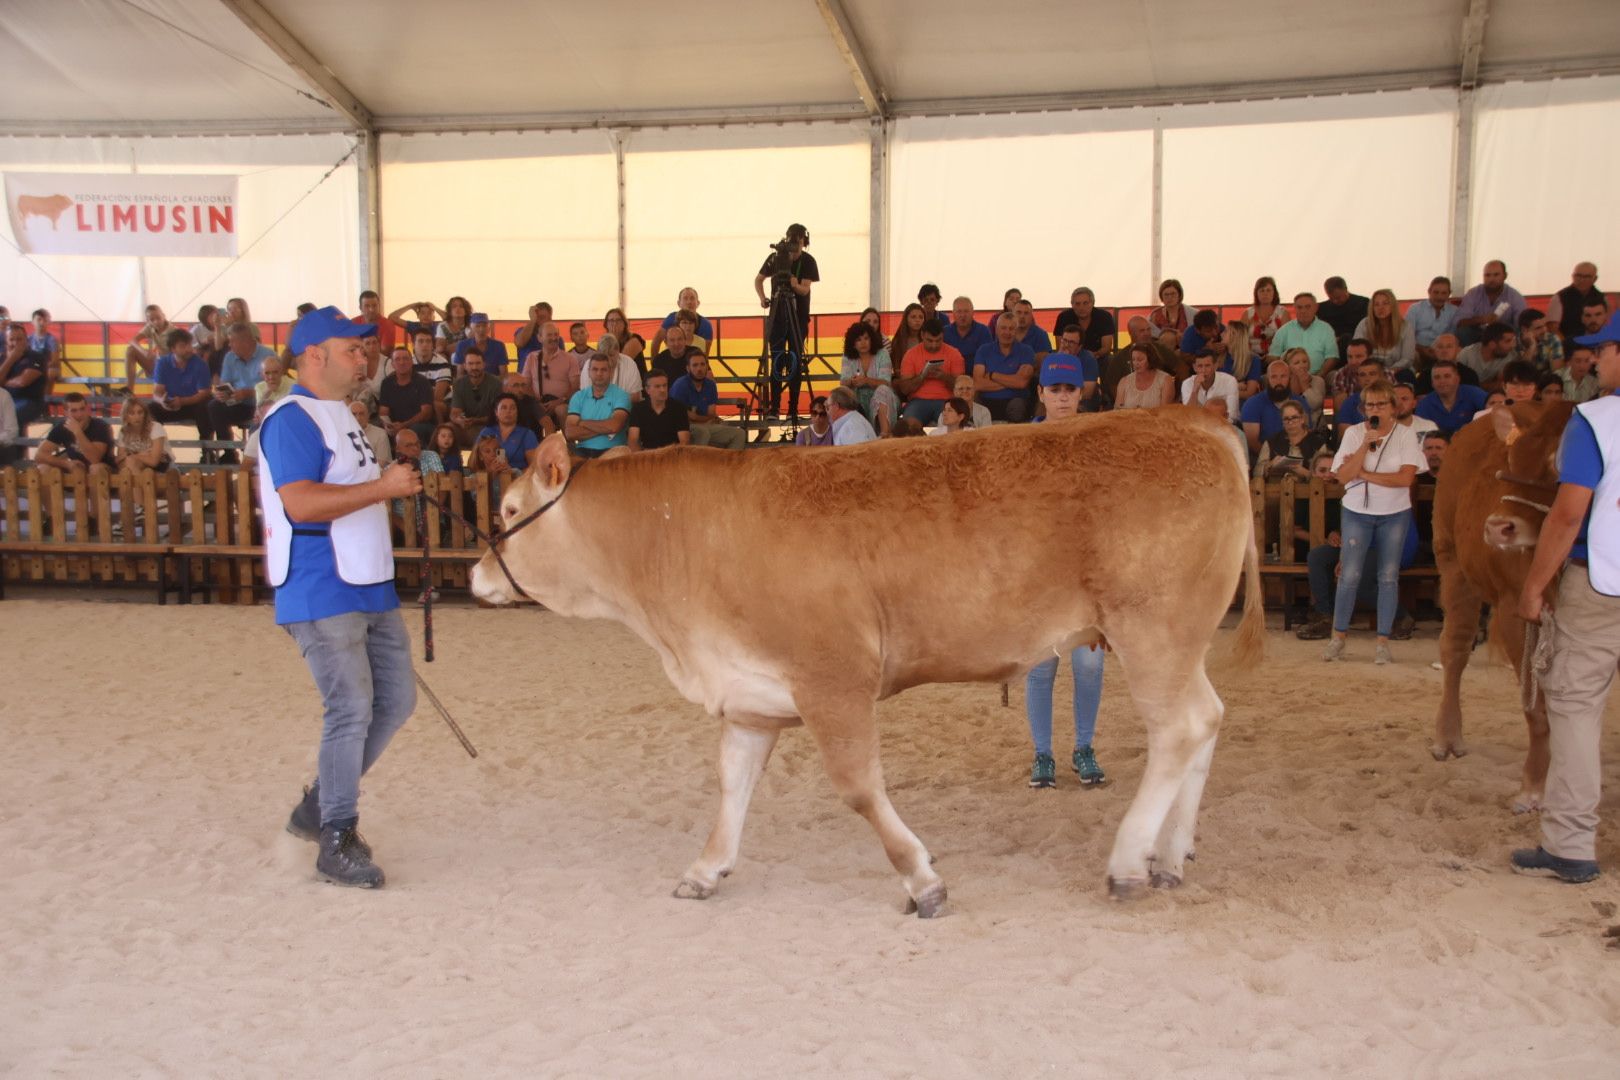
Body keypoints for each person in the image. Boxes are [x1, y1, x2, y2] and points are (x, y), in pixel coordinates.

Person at [258, 305, 422, 889]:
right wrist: (384, 486)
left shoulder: (341, 415)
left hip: (367, 582)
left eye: (364, 348)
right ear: (314, 356)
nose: (364, 357)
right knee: (351, 709)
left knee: (396, 702)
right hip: (321, 583)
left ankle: (320, 807)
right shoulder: (291, 419)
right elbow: (299, 502)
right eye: (352, 349)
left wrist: (385, 486)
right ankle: (336, 835)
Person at [1511, 309, 1620, 884]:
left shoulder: (1596, 419)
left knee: (1576, 707)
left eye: (1604, 350)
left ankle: (1572, 845)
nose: (1595, 359)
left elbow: (1570, 511)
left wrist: (1534, 585)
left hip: (1601, 584)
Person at [1023, 353, 1106, 789]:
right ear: (1041, 393)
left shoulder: (1097, 441)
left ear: (1081, 393)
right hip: (1040, 573)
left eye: (1069, 390)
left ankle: (1084, 747)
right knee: (1041, 668)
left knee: (1089, 667)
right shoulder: (1023, 444)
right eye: (1054, 390)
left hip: (1085, 574)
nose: (1062, 397)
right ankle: (1042, 754)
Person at [1323, 380, 1428, 664]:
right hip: (1357, 510)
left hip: (1394, 513)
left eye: (1381, 404)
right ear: (1363, 408)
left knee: (1388, 576)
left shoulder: (1406, 435)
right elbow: (1342, 477)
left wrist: (1365, 475)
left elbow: (1405, 479)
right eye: (1370, 404)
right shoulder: (1356, 434)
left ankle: (1382, 641)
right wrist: (1363, 448)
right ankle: (1338, 637)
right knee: (1349, 575)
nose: (1375, 409)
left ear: (1393, 408)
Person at [754, 223, 818, 419]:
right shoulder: (776, 257)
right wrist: (763, 298)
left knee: (796, 362)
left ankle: (793, 410)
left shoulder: (808, 261)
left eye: (799, 242)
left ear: (804, 242)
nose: (795, 246)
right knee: (777, 359)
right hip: (777, 315)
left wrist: (793, 283)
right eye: (792, 241)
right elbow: (758, 279)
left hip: (798, 317)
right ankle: (774, 409)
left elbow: (805, 289)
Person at [211, 323, 275, 461]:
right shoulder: (229, 357)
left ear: (245, 341)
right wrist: (221, 393)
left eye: (232, 341)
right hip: (237, 402)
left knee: (265, 411)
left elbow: (273, 386)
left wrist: (247, 393)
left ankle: (256, 457)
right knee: (214, 407)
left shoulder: (268, 356)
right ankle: (229, 452)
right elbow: (224, 382)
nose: (229, 345)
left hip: (261, 403)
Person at [149, 328, 216, 443]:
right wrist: (162, 401)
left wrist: (182, 401)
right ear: (173, 349)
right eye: (183, 346)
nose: (189, 349)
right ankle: (157, 448)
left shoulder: (200, 364)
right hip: (171, 404)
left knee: (206, 405)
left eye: (189, 345)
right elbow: (157, 391)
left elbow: (204, 393)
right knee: (151, 409)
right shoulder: (163, 363)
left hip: (193, 404)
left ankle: (206, 450)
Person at [895, 318, 963, 427]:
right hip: (917, 401)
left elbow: (961, 388)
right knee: (908, 427)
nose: (934, 345)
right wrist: (922, 376)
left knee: (952, 424)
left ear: (943, 336)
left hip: (947, 401)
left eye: (938, 340)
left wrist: (943, 377)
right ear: (922, 335)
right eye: (930, 340)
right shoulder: (911, 354)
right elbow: (904, 389)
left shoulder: (954, 354)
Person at [670, 353, 745, 449]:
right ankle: (698, 464)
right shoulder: (680, 385)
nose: (699, 369)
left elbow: (711, 414)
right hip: (684, 428)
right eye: (695, 365)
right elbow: (679, 417)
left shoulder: (710, 385)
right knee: (702, 432)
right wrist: (701, 419)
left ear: (707, 367)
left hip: (704, 425)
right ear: (688, 368)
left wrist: (696, 417)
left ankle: (727, 463)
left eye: (702, 364)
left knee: (739, 434)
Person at [971, 313, 1037, 422]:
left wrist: (993, 375)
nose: (1007, 332)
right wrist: (1012, 381)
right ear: (996, 330)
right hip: (986, 401)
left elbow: (1021, 383)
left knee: (1017, 406)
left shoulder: (1026, 351)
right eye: (1003, 328)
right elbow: (978, 384)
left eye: (1011, 329)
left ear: (1016, 331)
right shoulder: (984, 350)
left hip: (1016, 401)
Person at [839, 321, 900, 434]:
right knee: (841, 394)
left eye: (866, 338)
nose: (863, 343)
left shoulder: (882, 354)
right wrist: (852, 381)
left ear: (872, 339)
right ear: (853, 343)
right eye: (858, 340)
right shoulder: (847, 356)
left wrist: (866, 380)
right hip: (858, 400)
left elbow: (886, 383)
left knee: (882, 390)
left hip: (883, 398)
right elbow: (843, 382)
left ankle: (884, 435)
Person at [565, 354, 631, 458]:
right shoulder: (578, 397)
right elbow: (570, 433)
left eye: (604, 370)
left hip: (613, 451)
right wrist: (605, 429)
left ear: (611, 372)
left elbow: (614, 426)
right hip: (583, 451)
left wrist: (582, 423)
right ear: (589, 372)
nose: (599, 373)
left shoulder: (621, 395)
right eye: (595, 369)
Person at [34, 392, 114, 476]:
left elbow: (94, 459)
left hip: (103, 470)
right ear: (66, 413)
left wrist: (77, 432)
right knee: (43, 468)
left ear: (87, 409)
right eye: (74, 411)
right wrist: (66, 463)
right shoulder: (62, 427)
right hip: (77, 469)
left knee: (96, 468)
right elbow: (39, 456)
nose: (79, 414)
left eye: (82, 409)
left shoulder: (100, 426)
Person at [1241, 359, 1310, 453]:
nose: (1279, 381)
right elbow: (1252, 442)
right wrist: (1272, 459)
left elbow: (1307, 434)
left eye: (1283, 376)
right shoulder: (1252, 404)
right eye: (1274, 377)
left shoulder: (1301, 403)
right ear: (1267, 379)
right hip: (1264, 457)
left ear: (1289, 377)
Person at [1456, 260, 1527, 343]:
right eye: (1487, 275)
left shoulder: (1515, 297)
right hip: (1477, 335)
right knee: (1462, 332)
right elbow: (1460, 322)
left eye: (1496, 275)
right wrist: (1482, 319)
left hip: (1503, 337)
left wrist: (1500, 327)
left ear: (1505, 276)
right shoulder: (1473, 293)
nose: (1491, 279)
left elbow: (1523, 326)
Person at [1268, 292, 1340, 375]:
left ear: (1316, 308)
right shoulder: (1284, 330)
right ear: (1294, 308)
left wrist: (1320, 375)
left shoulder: (1326, 329)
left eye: (1307, 307)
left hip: (1318, 376)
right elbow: (1274, 356)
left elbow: (1332, 357)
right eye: (1299, 307)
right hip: (1289, 377)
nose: (1303, 311)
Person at [1414, 360, 1488, 435]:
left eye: (1447, 376)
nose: (1442, 381)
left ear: (1457, 379)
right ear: (1432, 383)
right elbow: (1421, 436)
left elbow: (1494, 409)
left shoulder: (1473, 393)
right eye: (1437, 377)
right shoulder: (1424, 405)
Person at [1254, 399, 1322, 480]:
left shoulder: (1317, 443)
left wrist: (1305, 473)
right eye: (1286, 419)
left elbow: (1326, 476)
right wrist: (1270, 465)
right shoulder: (1271, 442)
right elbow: (1256, 473)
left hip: (1310, 490)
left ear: (1302, 419)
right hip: (1276, 489)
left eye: (1294, 418)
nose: (1290, 422)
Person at [627, 369, 691, 451]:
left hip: (672, 456)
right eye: (657, 386)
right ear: (647, 390)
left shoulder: (679, 408)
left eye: (665, 385)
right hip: (647, 456)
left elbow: (684, 442)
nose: (662, 390)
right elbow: (632, 441)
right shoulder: (638, 409)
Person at [1353, 289, 1414, 374]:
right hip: (1368, 371)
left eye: (1385, 303)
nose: (1381, 308)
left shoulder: (1405, 327)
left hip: (1396, 371)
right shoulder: (1364, 324)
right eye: (1376, 304)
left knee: (1406, 374)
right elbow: (1356, 350)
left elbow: (1407, 358)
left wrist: (1390, 371)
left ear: (1393, 306)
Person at [0, 321, 48, 429]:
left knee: (9, 416)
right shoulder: (2, 358)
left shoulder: (36, 357)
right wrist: (11, 359)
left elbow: (23, 381)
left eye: (19, 339)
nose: (16, 343)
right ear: (6, 341)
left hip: (30, 401)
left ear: (26, 339)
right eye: (11, 339)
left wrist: (3, 381)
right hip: (5, 400)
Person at [449, 351, 502, 448]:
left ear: (484, 364)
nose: (474, 367)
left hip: (490, 426)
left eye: (478, 363)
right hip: (467, 426)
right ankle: (452, 461)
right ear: (464, 366)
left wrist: (475, 421)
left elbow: (498, 416)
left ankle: (499, 461)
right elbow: (454, 412)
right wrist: (459, 420)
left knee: (498, 440)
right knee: (447, 430)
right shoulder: (459, 383)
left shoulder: (496, 383)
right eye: (470, 364)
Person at [477, 393, 540, 472]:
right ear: (496, 412)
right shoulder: (486, 431)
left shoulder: (527, 434)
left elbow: (535, 467)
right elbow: (473, 463)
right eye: (504, 408)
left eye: (512, 408)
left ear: (517, 412)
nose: (508, 411)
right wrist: (489, 472)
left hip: (519, 478)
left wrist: (513, 472)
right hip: (489, 478)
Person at [1546, 262, 1604, 344]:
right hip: (1569, 347)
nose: (1581, 279)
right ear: (1572, 276)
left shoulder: (1602, 298)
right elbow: (1552, 328)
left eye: (1587, 276)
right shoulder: (1559, 297)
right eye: (1578, 275)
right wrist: (1567, 345)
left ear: (1595, 279)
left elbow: (1608, 324)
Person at [1409, 276, 1460, 365]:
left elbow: (1452, 337)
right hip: (1418, 349)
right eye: (1436, 292)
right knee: (1412, 355)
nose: (1439, 297)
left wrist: (1439, 350)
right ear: (1429, 291)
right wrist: (1422, 349)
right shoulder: (1415, 309)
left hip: (1442, 350)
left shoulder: (1454, 311)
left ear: (1449, 294)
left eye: (1444, 293)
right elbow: (1407, 336)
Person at [1052, 286, 1116, 356]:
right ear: (1072, 305)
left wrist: (1091, 357)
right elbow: (1060, 348)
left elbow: (1106, 348)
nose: (1081, 308)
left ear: (1092, 303)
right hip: (1069, 358)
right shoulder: (1063, 318)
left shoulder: (1104, 317)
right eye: (1077, 304)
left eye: (1085, 303)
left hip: (1099, 358)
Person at [649, 287, 714, 356]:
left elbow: (705, 355)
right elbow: (656, 341)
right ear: (678, 303)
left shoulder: (705, 325)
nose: (689, 302)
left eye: (692, 298)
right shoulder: (671, 319)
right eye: (685, 298)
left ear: (698, 303)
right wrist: (654, 362)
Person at [1317, 277, 1369, 363]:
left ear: (1345, 289)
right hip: (1331, 344)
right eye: (1331, 298)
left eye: (1338, 297)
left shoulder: (1363, 303)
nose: (1335, 301)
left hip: (1357, 342)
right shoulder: (1322, 308)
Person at [114, 395, 170, 474]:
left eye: (140, 412)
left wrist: (131, 455)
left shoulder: (156, 427)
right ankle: (138, 486)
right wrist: (141, 455)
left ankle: (137, 486)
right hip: (136, 463)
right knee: (127, 465)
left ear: (145, 414)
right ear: (126, 416)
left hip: (161, 464)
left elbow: (154, 461)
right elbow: (119, 460)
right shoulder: (124, 431)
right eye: (132, 413)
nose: (137, 417)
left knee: (129, 461)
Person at [1457, 322, 1519, 391]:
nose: (1513, 346)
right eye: (1508, 341)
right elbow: (1456, 382)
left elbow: (1502, 385)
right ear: (1492, 344)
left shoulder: (1509, 355)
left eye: (1513, 341)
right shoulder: (1467, 354)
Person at [124, 303, 173, 391]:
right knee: (130, 350)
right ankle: (129, 389)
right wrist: (144, 351)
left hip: (170, 367)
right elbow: (132, 340)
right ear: (148, 321)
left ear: (164, 316)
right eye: (152, 319)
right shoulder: (150, 327)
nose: (156, 322)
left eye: (158, 318)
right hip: (156, 364)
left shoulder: (174, 331)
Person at [1181, 352, 1239, 422]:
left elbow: (1232, 415)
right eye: (1200, 366)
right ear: (1194, 367)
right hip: (1198, 427)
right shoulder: (1187, 383)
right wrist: (1195, 390)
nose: (1203, 370)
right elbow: (1187, 415)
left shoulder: (1229, 381)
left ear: (1215, 366)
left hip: (1224, 425)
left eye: (1207, 366)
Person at [1113, 342, 1174, 409]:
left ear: (1151, 359)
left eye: (1140, 360)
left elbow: (1164, 412)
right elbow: (1117, 411)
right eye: (1133, 360)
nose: (1136, 363)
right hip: (1129, 419)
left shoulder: (1165, 380)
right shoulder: (1124, 382)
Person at [1244, 276, 1289, 360]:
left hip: (1276, 357)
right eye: (1262, 290)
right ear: (1256, 293)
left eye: (1268, 290)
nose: (1265, 293)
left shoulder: (1283, 313)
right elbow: (1240, 338)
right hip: (1250, 357)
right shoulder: (1247, 313)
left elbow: (1286, 339)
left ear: (1274, 293)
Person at [593, 333, 644, 403]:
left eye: (611, 355)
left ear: (618, 352)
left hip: (626, 410)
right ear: (598, 353)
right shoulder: (589, 365)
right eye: (604, 356)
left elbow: (636, 397)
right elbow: (587, 398)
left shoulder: (629, 363)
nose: (608, 359)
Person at [941, 296, 992, 366]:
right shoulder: (944, 332)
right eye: (959, 311)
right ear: (953, 313)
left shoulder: (983, 331)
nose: (963, 315)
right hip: (950, 375)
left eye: (966, 311)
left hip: (976, 374)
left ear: (973, 313)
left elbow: (988, 358)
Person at [1285, 346, 1326, 425]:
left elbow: (1314, 405)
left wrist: (1304, 385)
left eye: (1305, 361)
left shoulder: (1318, 381)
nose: (1302, 365)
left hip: (1315, 428)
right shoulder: (1285, 382)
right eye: (1297, 363)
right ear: (1289, 367)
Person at [349, 400, 392, 470]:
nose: (358, 418)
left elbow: (381, 463)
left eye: (361, 414)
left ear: (368, 416)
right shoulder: (342, 435)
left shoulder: (380, 434)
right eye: (354, 414)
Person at [889, 303, 927, 368]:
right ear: (906, 319)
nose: (917, 320)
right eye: (913, 317)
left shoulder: (928, 340)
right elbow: (896, 369)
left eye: (921, 317)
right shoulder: (898, 341)